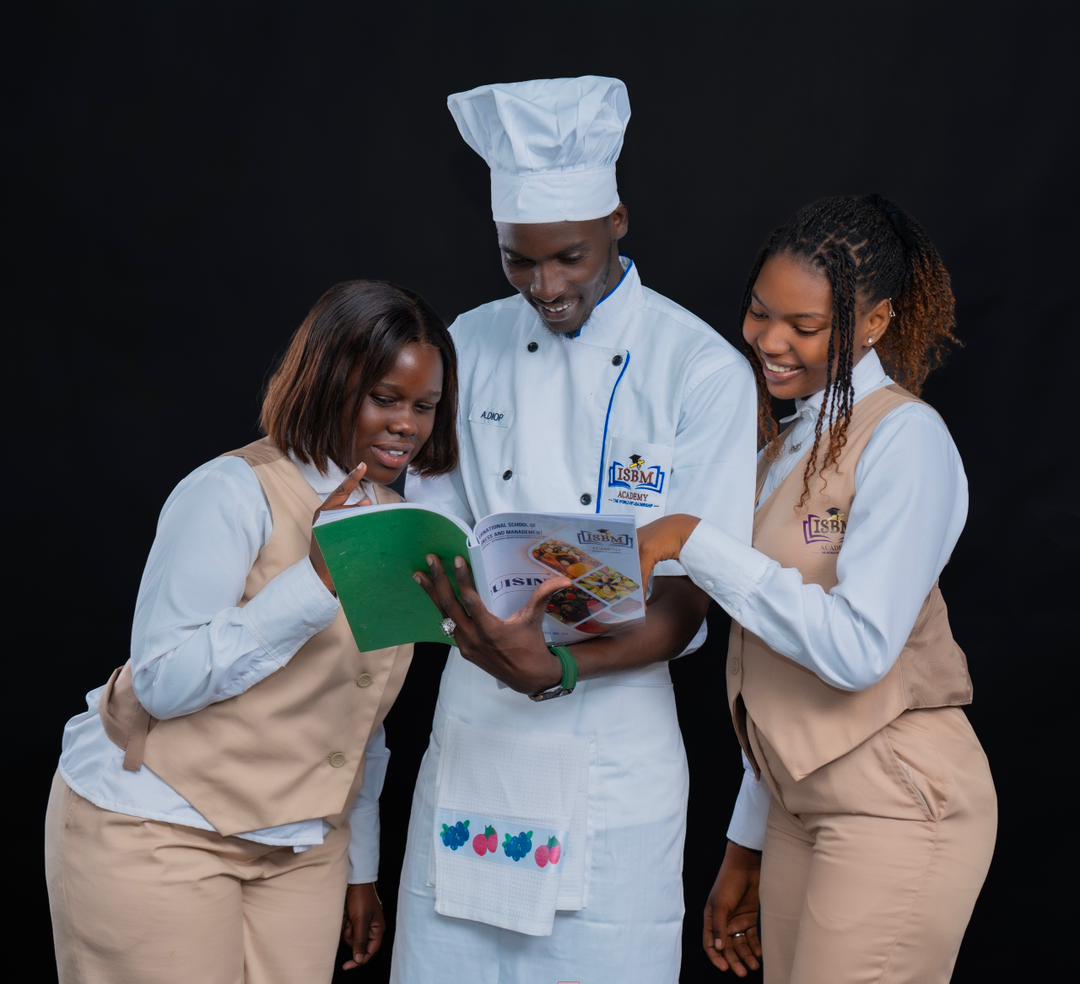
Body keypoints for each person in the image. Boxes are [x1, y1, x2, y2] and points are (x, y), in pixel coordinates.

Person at [390, 77, 758, 983]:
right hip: (479, 717)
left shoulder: (699, 368)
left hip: (615, 735)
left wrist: (557, 669)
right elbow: (435, 532)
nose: (546, 287)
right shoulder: (467, 343)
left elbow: (691, 597)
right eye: (519, 261)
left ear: (618, 221)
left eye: (569, 257)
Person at [44, 279, 459, 983]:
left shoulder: (396, 516)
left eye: (424, 406)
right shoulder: (230, 491)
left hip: (302, 848)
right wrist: (315, 580)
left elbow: (359, 710)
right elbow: (164, 682)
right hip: (159, 823)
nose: (407, 426)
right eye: (384, 398)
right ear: (328, 385)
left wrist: (361, 864)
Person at [638, 194, 997, 983]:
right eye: (760, 313)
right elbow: (776, 674)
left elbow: (858, 651)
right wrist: (746, 842)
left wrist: (694, 540)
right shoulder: (782, 451)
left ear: (875, 323)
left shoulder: (906, 439)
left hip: (897, 799)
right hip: (798, 802)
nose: (770, 341)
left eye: (804, 326)